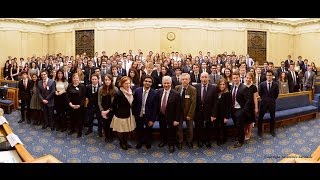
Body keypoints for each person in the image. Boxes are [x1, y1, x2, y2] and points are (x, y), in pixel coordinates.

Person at [156, 76, 181, 153]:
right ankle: (163, 141)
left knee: (171, 131)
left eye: (168, 83)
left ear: (171, 83)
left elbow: (178, 108)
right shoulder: (159, 91)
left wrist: (177, 120)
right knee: (162, 129)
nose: (166, 85)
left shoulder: (176, 94)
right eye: (164, 83)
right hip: (161, 115)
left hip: (171, 117)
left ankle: (171, 144)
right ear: (162, 83)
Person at [110, 76, 136, 150]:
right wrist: (117, 112)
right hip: (120, 115)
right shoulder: (118, 93)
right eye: (126, 83)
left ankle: (126, 142)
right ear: (122, 84)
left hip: (129, 114)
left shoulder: (131, 91)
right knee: (121, 130)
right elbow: (114, 105)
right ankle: (122, 142)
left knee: (127, 129)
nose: (128, 85)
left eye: (129, 83)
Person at [132, 75, 157, 149]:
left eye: (149, 82)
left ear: (151, 83)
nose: (147, 83)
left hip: (148, 116)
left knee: (148, 130)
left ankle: (147, 142)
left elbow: (155, 108)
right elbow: (134, 103)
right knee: (139, 129)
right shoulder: (137, 91)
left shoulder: (155, 93)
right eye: (146, 81)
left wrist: (152, 120)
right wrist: (134, 114)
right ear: (143, 82)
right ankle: (140, 142)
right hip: (139, 115)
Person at [194, 72, 216, 148]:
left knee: (208, 127)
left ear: (208, 78)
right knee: (198, 127)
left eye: (206, 77)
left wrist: (213, 114)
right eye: (202, 77)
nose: (204, 79)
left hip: (209, 112)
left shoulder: (213, 88)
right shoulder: (196, 87)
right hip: (198, 112)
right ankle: (200, 140)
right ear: (200, 78)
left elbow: (215, 102)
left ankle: (207, 141)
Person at [175, 73, 197, 149]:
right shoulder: (177, 88)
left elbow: (193, 103)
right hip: (179, 112)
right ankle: (180, 142)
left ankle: (189, 141)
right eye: (183, 79)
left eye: (186, 79)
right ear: (181, 80)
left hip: (189, 113)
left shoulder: (193, 89)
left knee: (190, 129)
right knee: (179, 128)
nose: (184, 81)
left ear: (189, 80)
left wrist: (189, 115)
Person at [230, 71, 250, 148]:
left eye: (236, 78)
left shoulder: (244, 87)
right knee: (236, 125)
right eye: (234, 78)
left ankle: (241, 141)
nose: (235, 79)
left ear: (239, 78)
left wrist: (243, 111)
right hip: (233, 109)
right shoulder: (232, 86)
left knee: (240, 126)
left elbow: (248, 101)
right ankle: (237, 137)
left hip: (240, 110)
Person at [257, 70, 279, 137]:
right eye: (267, 75)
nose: (269, 77)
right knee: (260, 117)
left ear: (272, 76)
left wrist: (271, 100)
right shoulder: (262, 84)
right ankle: (259, 131)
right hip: (263, 103)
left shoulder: (275, 84)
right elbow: (260, 93)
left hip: (272, 103)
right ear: (266, 76)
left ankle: (272, 130)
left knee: (273, 117)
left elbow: (276, 94)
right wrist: (265, 99)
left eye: (270, 75)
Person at [98, 74, 118, 143]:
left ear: (111, 81)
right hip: (103, 110)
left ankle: (111, 136)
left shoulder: (115, 89)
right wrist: (102, 110)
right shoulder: (100, 89)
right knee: (105, 124)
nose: (107, 81)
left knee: (111, 124)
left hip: (111, 110)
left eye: (108, 80)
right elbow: (99, 101)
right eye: (106, 80)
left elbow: (115, 103)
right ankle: (107, 136)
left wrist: (108, 111)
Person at [212, 78, 231, 146]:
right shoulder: (217, 92)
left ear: (226, 85)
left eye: (223, 84)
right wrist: (213, 115)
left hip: (224, 114)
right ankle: (218, 139)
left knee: (223, 127)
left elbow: (228, 107)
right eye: (221, 84)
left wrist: (226, 117)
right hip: (216, 113)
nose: (222, 86)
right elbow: (214, 104)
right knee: (216, 127)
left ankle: (224, 139)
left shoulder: (228, 93)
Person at [66, 73, 86, 137]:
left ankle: (79, 131)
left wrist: (80, 105)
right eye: (74, 78)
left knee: (79, 119)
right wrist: (70, 104)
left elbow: (83, 97)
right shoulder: (70, 86)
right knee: (72, 118)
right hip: (71, 105)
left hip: (79, 106)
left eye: (77, 78)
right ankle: (72, 130)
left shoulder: (82, 86)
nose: (75, 79)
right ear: (72, 79)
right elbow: (67, 96)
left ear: (79, 79)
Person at [243, 72, 258, 141]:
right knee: (245, 120)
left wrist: (256, 107)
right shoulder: (242, 86)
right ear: (245, 78)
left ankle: (249, 133)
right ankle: (245, 132)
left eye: (250, 78)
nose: (248, 79)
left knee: (250, 121)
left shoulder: (254, 87)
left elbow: (255, 98)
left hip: (251, 106)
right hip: (244, 106)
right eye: (247, 78)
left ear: (252, 79)